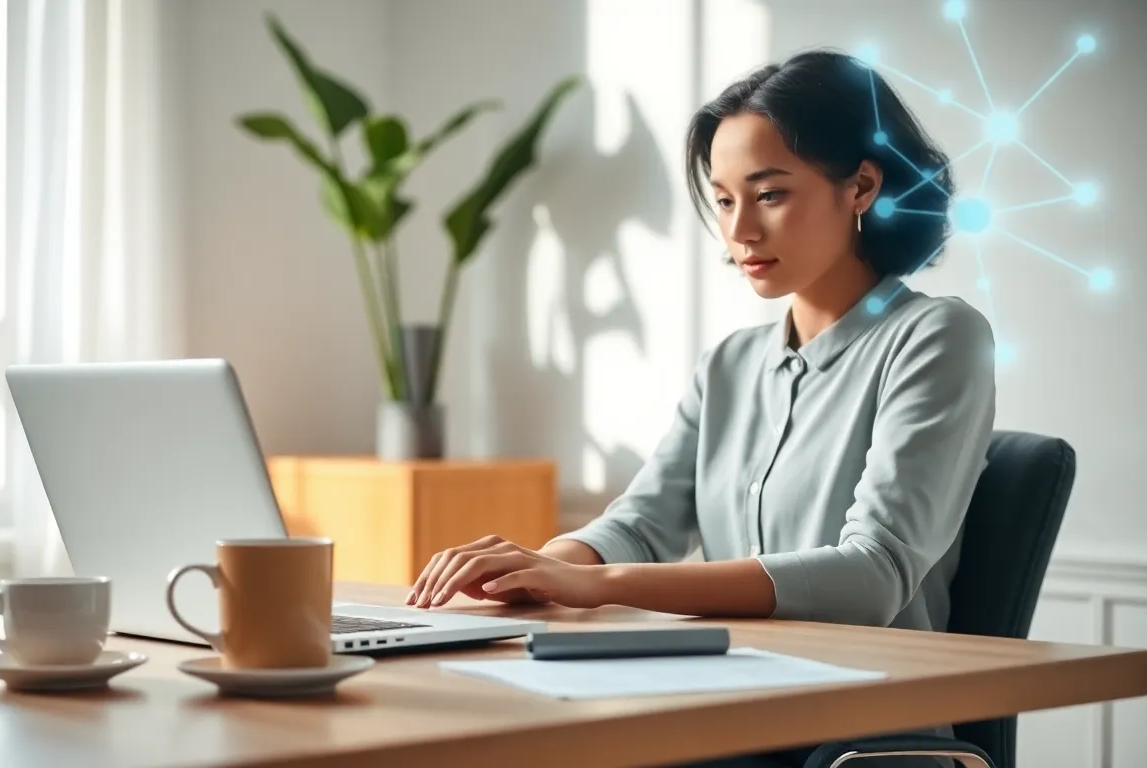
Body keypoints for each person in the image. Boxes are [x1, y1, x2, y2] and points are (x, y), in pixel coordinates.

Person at [407, 48, 995, 768]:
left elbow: (871, 574)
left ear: (862, 187)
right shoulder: (730, 364)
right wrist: (540, 567)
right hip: (728, 709)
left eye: (770, 194)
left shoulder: (937, 337)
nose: (739, 230)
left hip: (854, 733)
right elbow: (643, 522)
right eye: (723, 198)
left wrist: (597, 585)